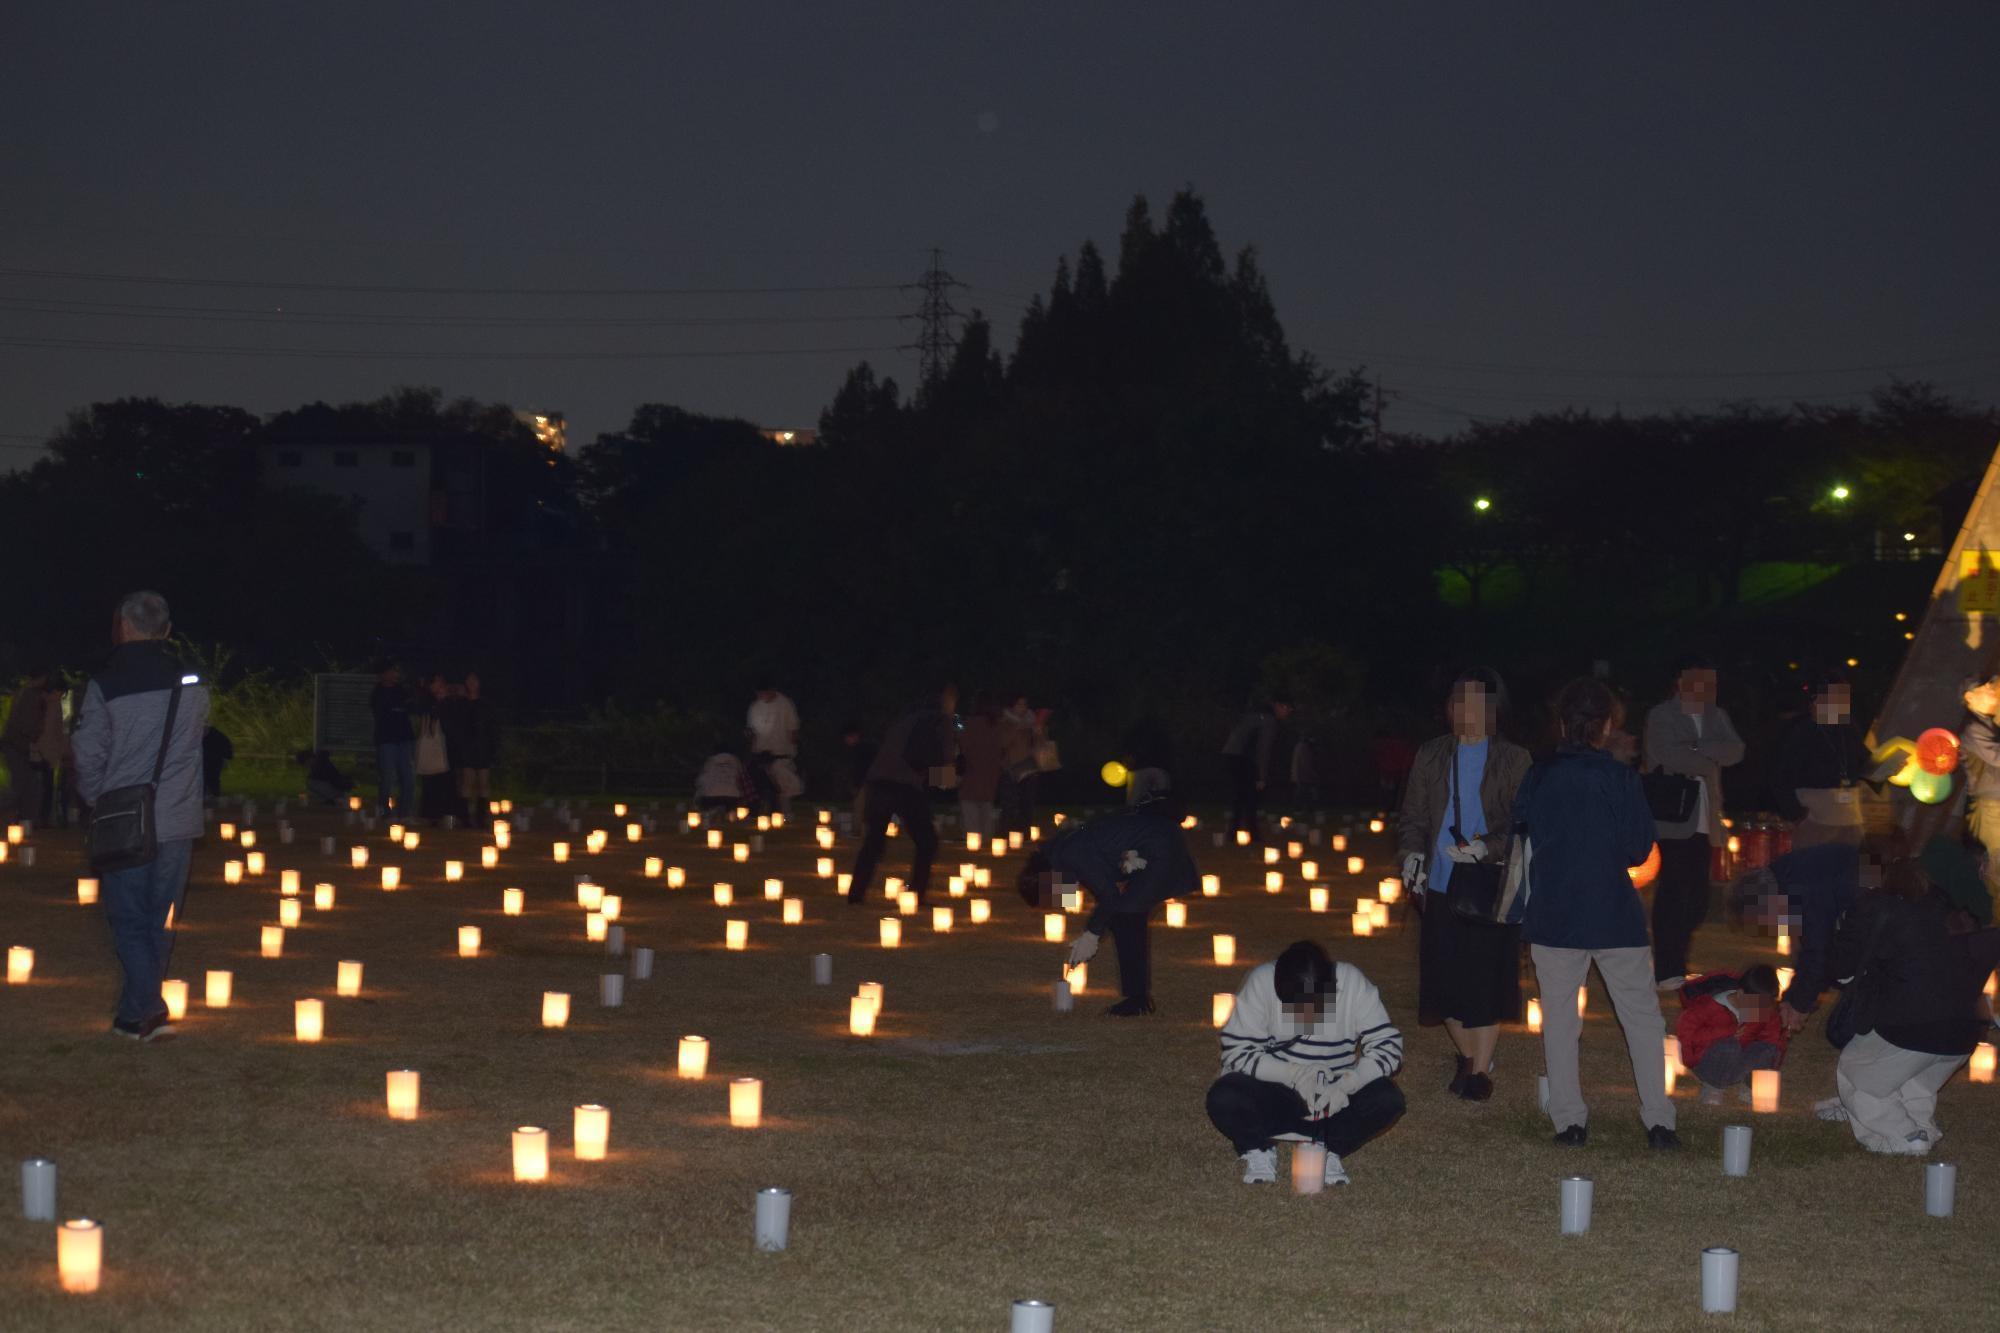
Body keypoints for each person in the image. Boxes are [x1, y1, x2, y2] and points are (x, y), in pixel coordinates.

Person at [1516, 676, 1679, 1149]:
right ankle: (1658, 1120)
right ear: (1606, 726)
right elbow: (1636, 849)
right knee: (1642, 1020)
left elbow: (1522, 827)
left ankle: (1569, 1120)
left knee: (1562, 1021)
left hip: (1554, 911)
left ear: (1562, 722)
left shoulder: (1539, 774)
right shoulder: (1620, 779)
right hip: (1613, 912)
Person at [71, 591, 209, 1043]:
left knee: (129, 917)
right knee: (159, 917)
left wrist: (96, 800)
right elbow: (195, 739)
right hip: (177, 815)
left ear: (123, 626)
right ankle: (141, 1011)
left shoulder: (106, 682)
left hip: (124, 815)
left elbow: (88, 751)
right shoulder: (190, 679)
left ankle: (143, 1011)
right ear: (166, 630)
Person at [1396, 668, 1532, 1101]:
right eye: (1457, 701)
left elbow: (1522, 824)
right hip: (1439, 885)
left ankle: (1476, 1074)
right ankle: (1472, 1060)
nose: (1464, 711)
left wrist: (1485, 848)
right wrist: (1412, 855)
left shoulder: (1514, 759)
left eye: (1474, 702)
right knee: (1443, 983)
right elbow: (1413, 816)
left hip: (1490, 886)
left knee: (1485, 981)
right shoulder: (1432, 754)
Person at [1829, 855, 2000, 1154]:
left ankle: (1904, 1137)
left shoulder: (1878, 908)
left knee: (1857, 1073)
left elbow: (1841, 965)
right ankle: (1922, 1126)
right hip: (1965, 1031)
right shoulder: (1955, 913)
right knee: (1915, 1082)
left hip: (1911, 1023)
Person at [1206, 940, 1406, 1187]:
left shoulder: (1352, 984)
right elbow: (1235, 1051)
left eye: (1315, 1007)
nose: (1305, 1017)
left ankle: (1330, 1147)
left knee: (1388, 1098)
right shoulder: (1261, 982)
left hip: (1334, 1099)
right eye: (1295, 1008)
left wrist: (1348, 1084)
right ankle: (1258, 1147)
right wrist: (1293, 1075)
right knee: (1224, 1095)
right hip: (1278, 1093)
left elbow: (1389, 1047)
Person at [1017, 797, 1196, 1016]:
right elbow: (1105, 892)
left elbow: (1109, 896)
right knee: (1123, 917)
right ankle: (1137, 997)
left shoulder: (1071, 854)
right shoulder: (1062, 851)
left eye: (1052, 899)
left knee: (1127, 916)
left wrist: (1091, 934)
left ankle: (1137, 1000)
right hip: (1158, 841)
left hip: (1160, 847)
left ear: (1047, 882)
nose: (1062, 902)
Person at [1642, 656, 1746, 989]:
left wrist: (1698, 746)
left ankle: (1677, 957)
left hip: (1706, 817)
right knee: (1673, 891)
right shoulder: (1662, 715)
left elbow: (1735, 751)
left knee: (1698, 895)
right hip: (1673, 815)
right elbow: (1667, 754)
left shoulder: (1717, 716)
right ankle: (1668, 967)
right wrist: (1707, 757)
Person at [845, 686, 957, 907]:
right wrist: (953, 778)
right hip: (905, 786)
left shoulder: (905, 719)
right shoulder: (941, 722)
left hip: (878, 782)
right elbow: (941, 769)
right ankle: (916, 894)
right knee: (927, 841)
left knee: (874, 841)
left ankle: (856, 894)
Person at [1675, 965, 1786, 1105]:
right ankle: (1713, 1087)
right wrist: (1726, 1032)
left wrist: (1772, 1060)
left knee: (1768, 1048)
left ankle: (1749, 1085)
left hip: (1737, 1064)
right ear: (1741, 994)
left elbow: (1771, 1036)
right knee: (1729, 1046)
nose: (1760, 1009)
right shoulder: (1710, 1005)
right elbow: (1689, 1037)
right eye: (1756, 1003)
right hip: (1708, 1063)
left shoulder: (1760, 1009)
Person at [1956, 670, 2000, 902]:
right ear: (1969, 697)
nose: (1992, 692)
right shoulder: (1974, 730)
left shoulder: (1989, 726)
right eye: (1985, 688)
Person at [1221, 697, 1290, 838]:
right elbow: (1263, 749)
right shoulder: (1268, 721)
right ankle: (1251, 831)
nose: (1287, 713)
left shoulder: (1255, 714)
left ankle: (1234, 831)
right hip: (1243, 757)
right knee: (1250, 795)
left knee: (1240, 794)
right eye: (1286, 708)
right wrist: (1261, 777)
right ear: (1278, 706)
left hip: (1232, 754)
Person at [746, 683, 801, 816]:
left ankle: (782, 815)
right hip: (760, 754)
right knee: (759, 787)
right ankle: (759, 814)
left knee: (782, 788)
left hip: (781, 753)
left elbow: (793, 730)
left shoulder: (785, 704)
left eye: (764, 693)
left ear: (772, 690)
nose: (761, 697)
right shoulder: (755, 707)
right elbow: (751, 731)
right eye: (759, 694)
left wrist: (791, 749)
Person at [370, 660, 415, 817]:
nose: (393, 674)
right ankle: (384, 810)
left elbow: (409, 707)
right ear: (382, 675)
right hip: (387, 740)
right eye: (390, 671)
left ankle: (405, 811)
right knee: (387, 777)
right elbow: (383, 713)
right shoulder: (378, 693)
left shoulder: (401, 690)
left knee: (408, 777)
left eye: (394, 671)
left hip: (404, 738)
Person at [2, 666, 49, 817]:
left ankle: (21, 820)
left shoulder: (22, 693)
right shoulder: (31, 695)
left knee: (23, 783)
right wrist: (36, 733)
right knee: (21, 784)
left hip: (14, 743)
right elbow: (27, 724)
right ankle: (19, 818)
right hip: (18, 744)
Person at [957, 692, 1003, 840]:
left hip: (971, 774)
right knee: (986, 809)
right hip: (990, 774)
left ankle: (973, 843)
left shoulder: (970, 724)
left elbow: (963, 748)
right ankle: (987, 842)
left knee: (970, 810)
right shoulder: (996, 726)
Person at [997, 695, 1045, 833]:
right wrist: (1016, 728)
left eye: (1025, 704)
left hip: (1029, 769)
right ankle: (1005, 833)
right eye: (1019, 704)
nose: (1022, 708)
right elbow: (1002, 743)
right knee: (1009, 804)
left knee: (1027, 804)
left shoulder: (1033, 722)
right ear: (1012, 706)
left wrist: (1038, 733)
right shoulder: (1005, 722)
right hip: (1010, 769)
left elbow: (1040, 745)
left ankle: (1024, 834)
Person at [32, 673, 72, 825]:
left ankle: (38, 818)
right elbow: (51, 731)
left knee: (41, 787)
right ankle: (42, 819)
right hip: (47, 753)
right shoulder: (54, 704)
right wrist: (55, 753)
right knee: (47, 788)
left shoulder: (43, 701)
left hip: (39, 750)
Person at [695, 743, 750, 816]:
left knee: (701, 796)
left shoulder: (711, 760)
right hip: (733, 796)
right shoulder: (735, 760)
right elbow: (741, 777)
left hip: (711, 797)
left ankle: (708, 816)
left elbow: (702, 779)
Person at [200, 724, 233, 802]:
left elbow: (227, 745)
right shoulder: (201, 735)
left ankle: (213, 795)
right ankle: (208, 796)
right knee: (206, 778)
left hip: (214, 761)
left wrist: (227, 757)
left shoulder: (216, 735)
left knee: (212, 779)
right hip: (206, 761)